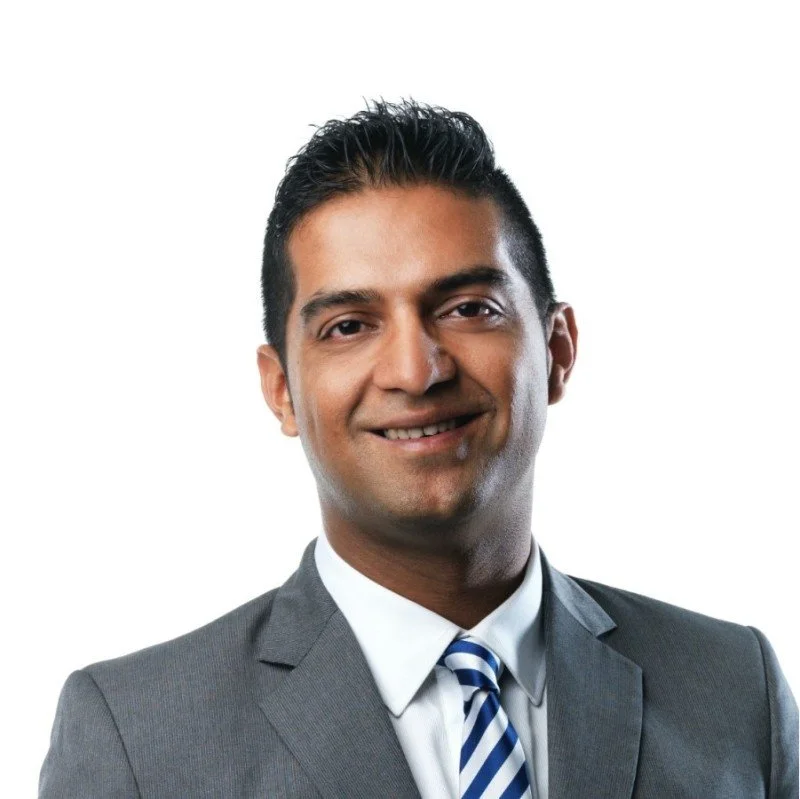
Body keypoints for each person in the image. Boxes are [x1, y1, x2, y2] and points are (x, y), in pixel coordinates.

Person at [39, 100, 797, 799]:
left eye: (469, 308)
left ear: (558, 349)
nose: (416, 369)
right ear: (281, 390)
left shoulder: (735, 692)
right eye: (348, 325)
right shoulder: (136, 740)